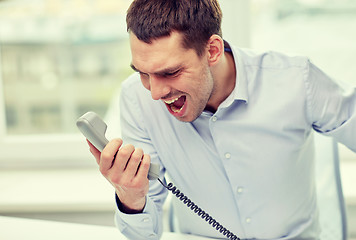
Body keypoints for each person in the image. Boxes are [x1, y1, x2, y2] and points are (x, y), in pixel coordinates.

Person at [87, 0, 356, 239]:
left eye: (170, 72)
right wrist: (130, 196)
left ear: (213, 51)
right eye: (143, 73)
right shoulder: (136, 99)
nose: (155, 92)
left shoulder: (295, 80)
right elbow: (143, 236)